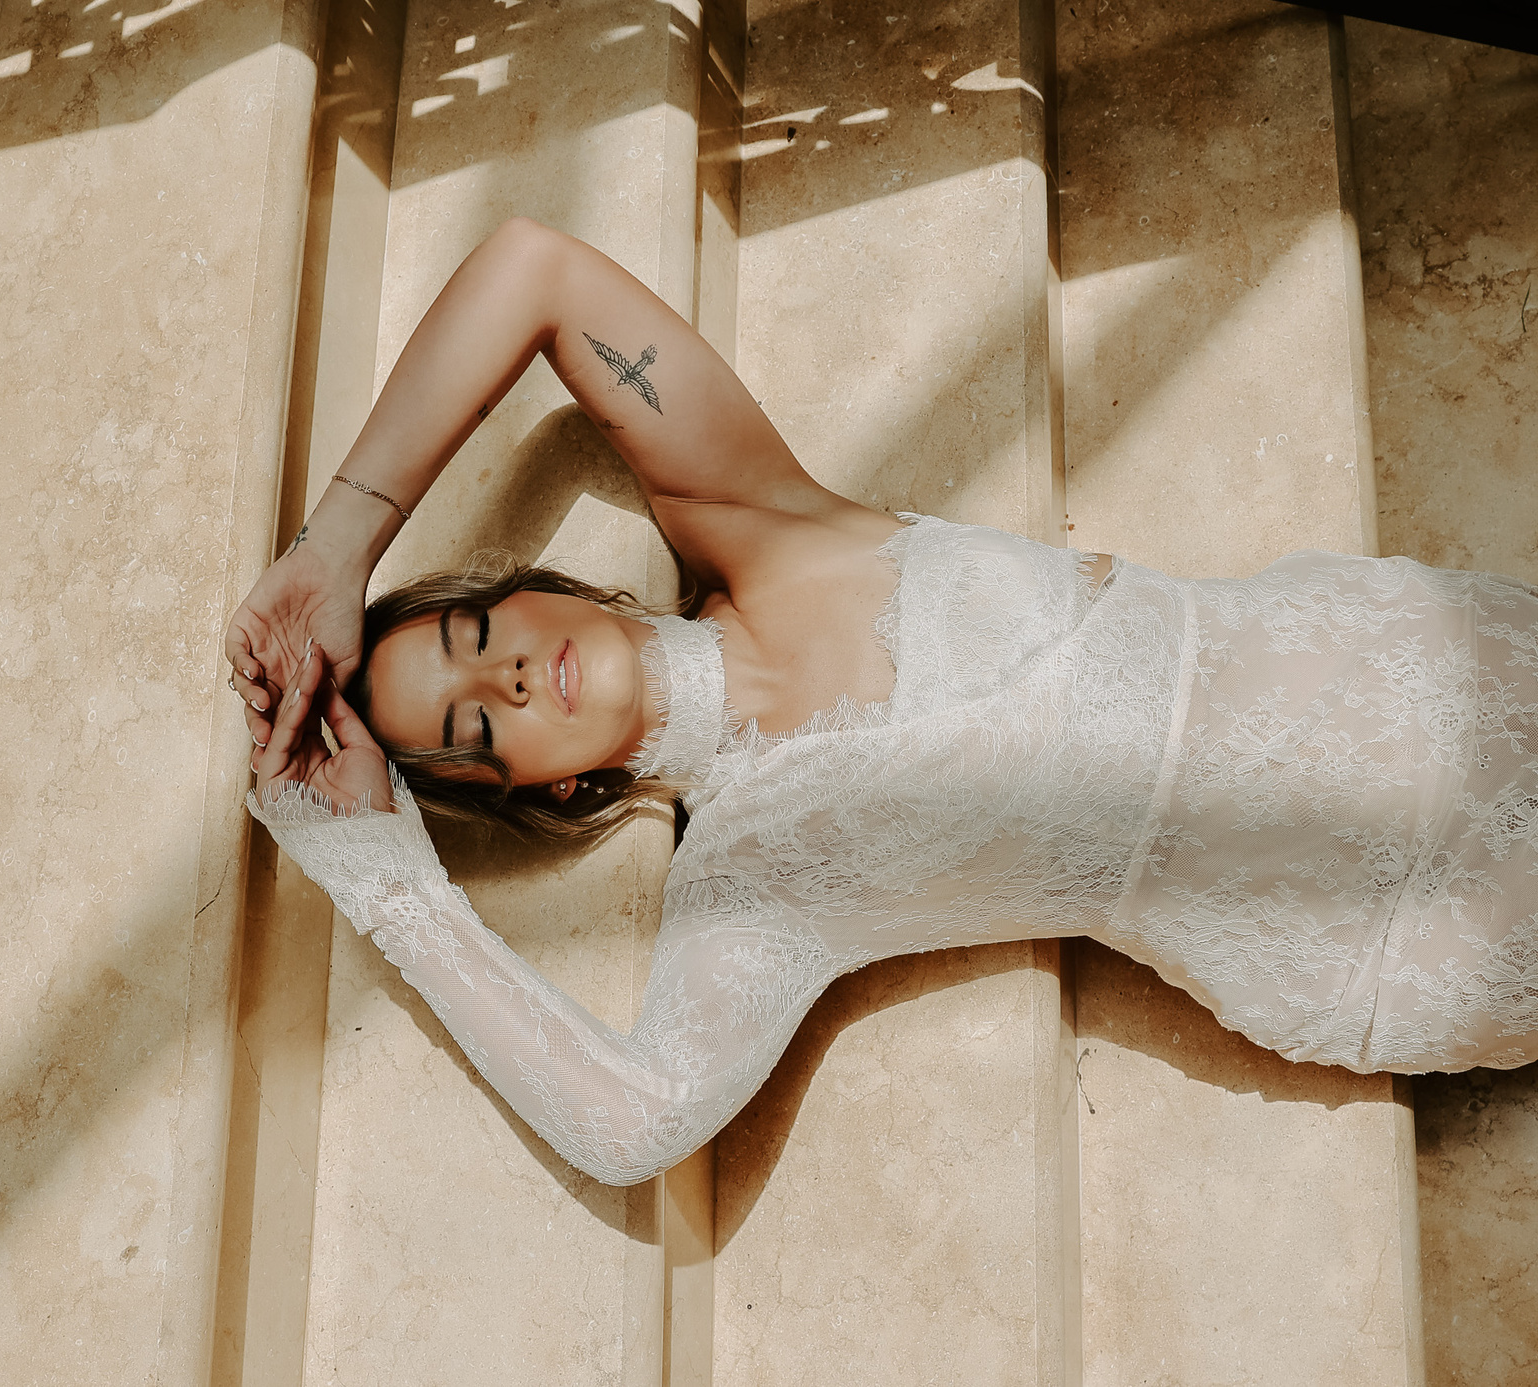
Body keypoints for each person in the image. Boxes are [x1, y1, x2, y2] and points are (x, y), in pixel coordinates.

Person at [226, 218, 1538, 1187]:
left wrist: (337, 551)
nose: (499, 675)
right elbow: (632, 1125)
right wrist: (382, 877)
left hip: (1411, 671)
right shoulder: (758, 880)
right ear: (547, 788)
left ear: (538, 594)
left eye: (472, 632)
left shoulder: (772, 530)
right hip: (1386, 923)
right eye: (472, 726)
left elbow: (532, 270)